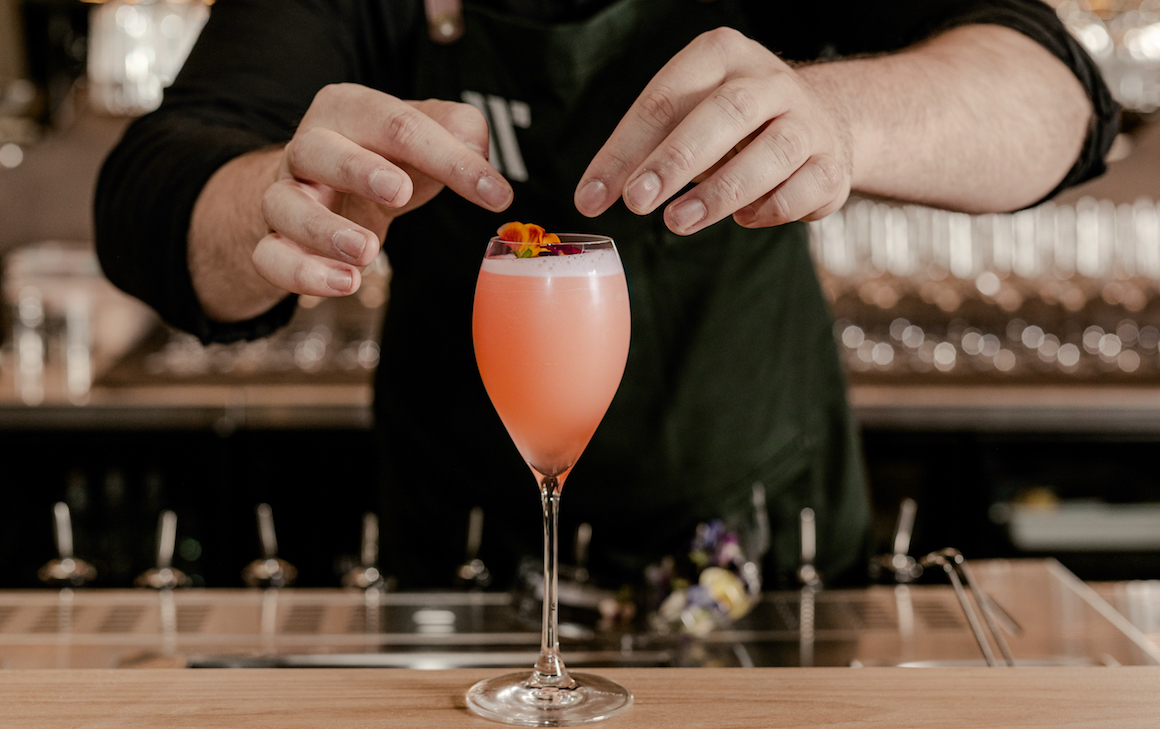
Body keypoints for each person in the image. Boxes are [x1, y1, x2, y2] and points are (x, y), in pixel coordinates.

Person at [95, 0, 1118, 589]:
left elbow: (1055, 96)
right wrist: (268, 204)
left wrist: (838, 116)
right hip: (465, 560)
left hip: (762, 543)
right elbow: (151, 190)